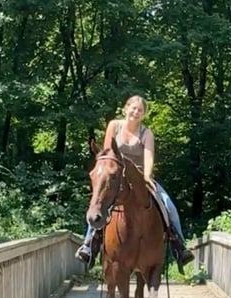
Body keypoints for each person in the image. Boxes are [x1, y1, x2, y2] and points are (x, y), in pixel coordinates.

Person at [76, 95, 195, 273]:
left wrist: (146, 177)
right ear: (126, 109)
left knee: (168, 205)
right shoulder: (114, 126)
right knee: (98, 203)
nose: (136, 112)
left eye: (140, 110)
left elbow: (149, 157)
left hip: (139, 178)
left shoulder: (146, 133)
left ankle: (178, 245)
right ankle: (89, 243)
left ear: (144, 114)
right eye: (133, 108)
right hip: (115, 177)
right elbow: (107, 154)